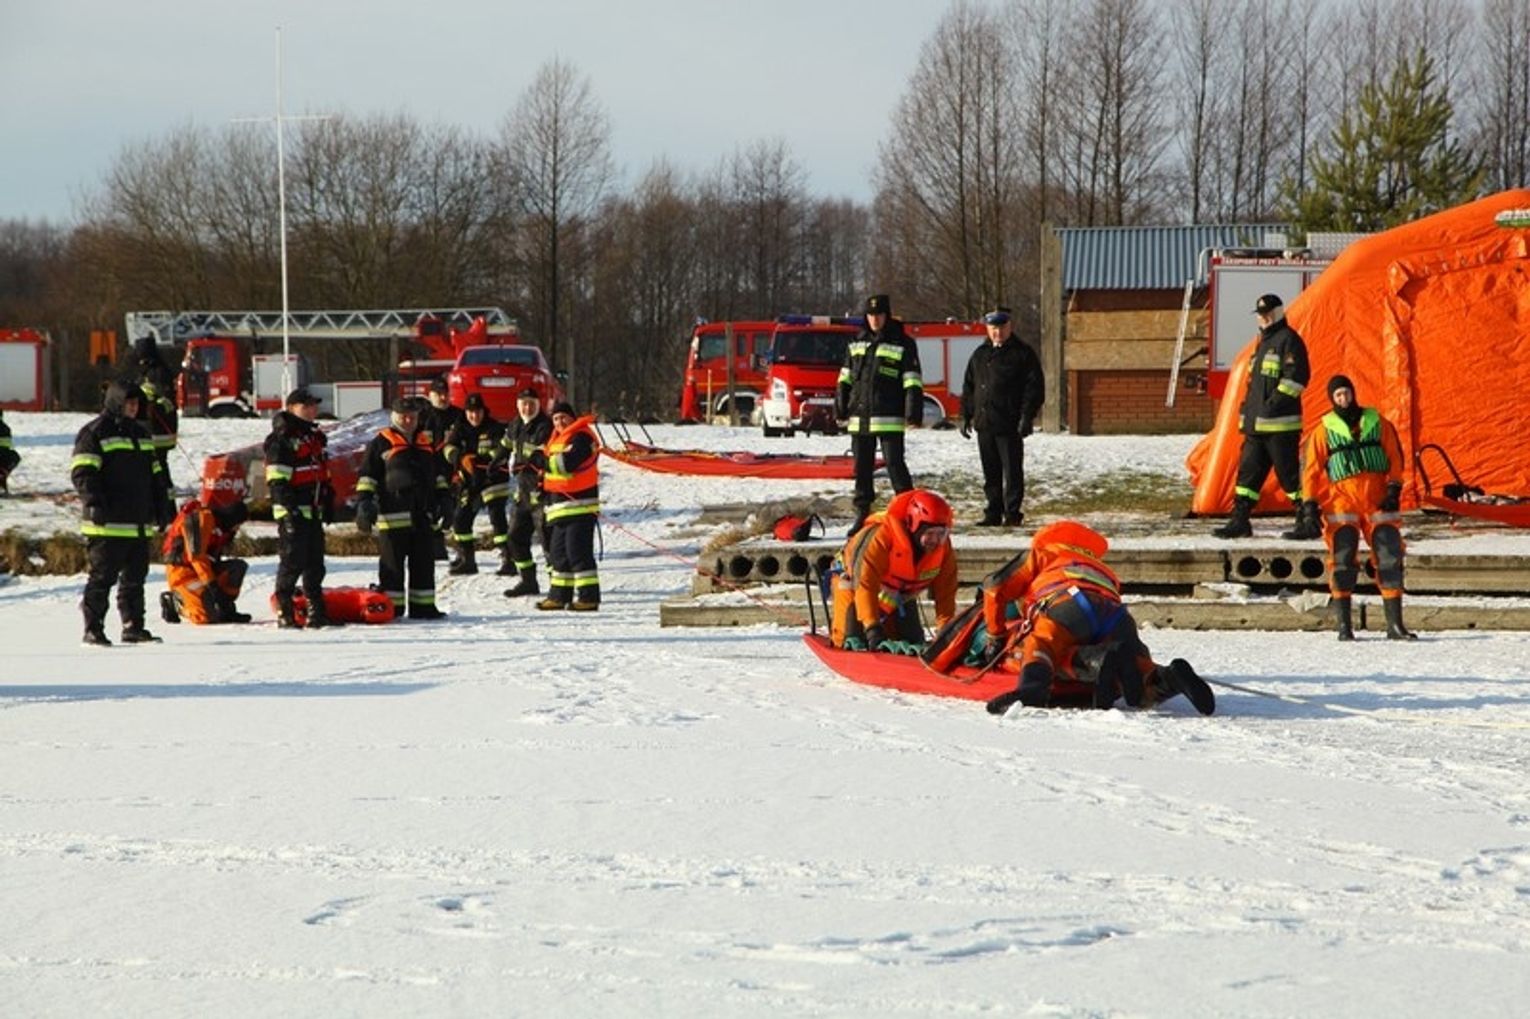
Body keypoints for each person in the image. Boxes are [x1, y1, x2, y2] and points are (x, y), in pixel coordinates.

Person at [976, 520, 1216, 715]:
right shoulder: (1099, 566)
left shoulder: (1044, 553)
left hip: (1066, 605)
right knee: (1136, 669)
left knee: (1043, 645)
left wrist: (995, 635)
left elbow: (994, 586)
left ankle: (1033, 689)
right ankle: (1168, 678)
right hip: (1116, 615)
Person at [1296, 375, 1416, 641]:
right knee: (1342, 559)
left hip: (1378, 498)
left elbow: (1395, 456)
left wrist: (1394, 488)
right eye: (1338, 395)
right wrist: (1309, 505)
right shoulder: (1323, 430)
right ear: (1332, 399)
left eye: (1346, 393)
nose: (1344, 399)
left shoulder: (1377, 422)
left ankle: (1395, 626)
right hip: (1342, 500)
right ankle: (1344, 627)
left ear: (1353, 393)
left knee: (1389, 556)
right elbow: (1311, 470)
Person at [71, 378, 175, 645]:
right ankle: (93, 629)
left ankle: (133, 626)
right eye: (129, 402)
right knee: (102, 578)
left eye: (137, 403)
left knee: (135, 580)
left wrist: (162, 508)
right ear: (116, 402)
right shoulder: (94, 432)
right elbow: (83, 472)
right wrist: (94, 503)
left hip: (138, 522)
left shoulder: (142, 434)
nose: (133, 407)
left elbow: (156, 476)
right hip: (106, 523)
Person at [1213, 293, 1311, 539]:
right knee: (1248, 476)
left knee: (1289, 477)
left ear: (1277, 314)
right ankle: (1240, 520)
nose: (1263, 318)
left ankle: (1308, 520)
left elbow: (1296, 380)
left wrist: (1270, 407)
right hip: (1255, 427)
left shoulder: (1289, 340)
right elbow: (1254, 385)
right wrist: (1247, 411)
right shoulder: (1262, 343)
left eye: (1267, 314)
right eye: (1260, 314)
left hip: (1280, 427)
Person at [354, 397, 452, 620]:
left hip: (423, 515)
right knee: (392, 567)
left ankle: (423, 607)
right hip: (393, 516)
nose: (408, 421)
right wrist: (365, 502)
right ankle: (392, 608)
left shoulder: (426, 443)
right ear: (394, 417)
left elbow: (438, 475)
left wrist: (445, 500)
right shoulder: (380, 442)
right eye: (403, 417)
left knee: (424, 564)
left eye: (412, 417)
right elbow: (367, 476)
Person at [829, 488, 959, 652]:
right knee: (850, 641)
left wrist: (945, 629)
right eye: (930, 533)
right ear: (914, 526)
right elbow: (865, 584)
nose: (935, 540)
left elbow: (946, 590)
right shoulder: (881, 538)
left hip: (899, 597)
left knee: (912, 641)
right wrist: (872, 628)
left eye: (941, 534)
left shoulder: (943, 548)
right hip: (853, 587)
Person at [836, 293, 923, 535]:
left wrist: (913, 412)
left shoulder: (903, 342)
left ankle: (909, 513)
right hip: (859, 416)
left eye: (879, 315)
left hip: (889, 417)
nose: (875, 320)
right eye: (871, 315)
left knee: (895, 464)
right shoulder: (856, 342)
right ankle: (862, 513)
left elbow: (912, 380)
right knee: (861, 468)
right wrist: (840, 405)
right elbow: (845, 378)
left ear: (887, 316)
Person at [960, 306, 1045, 527]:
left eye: (1001, 327)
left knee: (1012, 472)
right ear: (987, 329)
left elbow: (1034, 389)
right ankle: (993, 512)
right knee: (991, 472)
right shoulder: (980, 354)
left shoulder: (1022, 354)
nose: (997, 332)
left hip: (1009, 424)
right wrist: (966, 415)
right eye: (993, 328)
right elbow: (970, 387)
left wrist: (1027, 417)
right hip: (985, 422)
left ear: (1009, 327)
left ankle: (1012, 513)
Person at [263, 387, 334, 629]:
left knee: (315, 565)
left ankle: (316, 612)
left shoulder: (313, 437)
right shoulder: (282, 439)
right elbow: (277, 480)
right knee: (292, 563)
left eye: (314, 405)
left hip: (313, 510)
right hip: (292, 512)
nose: (312, 410)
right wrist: (288, 511)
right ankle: (285, 612)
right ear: (291, 408)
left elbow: (321, 474)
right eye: (306, 406)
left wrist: (328, 500)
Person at [535, 401, 602, 611]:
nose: (559, 422)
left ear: (572, 418)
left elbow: (567, 463)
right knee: (558, 555)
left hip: (580, 506)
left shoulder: (581, 437)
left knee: (578, 553)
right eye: (555, 418)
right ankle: (558, 596)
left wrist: (542, 461)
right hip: (558, 507)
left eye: (563, 417)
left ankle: (588, 598)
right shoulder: (555, 439)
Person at [442, 393, 509, 576]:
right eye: (471, 412)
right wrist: (459, 457)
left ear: (483, 411)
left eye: (478, 412)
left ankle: (508, 559)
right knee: (460, 519)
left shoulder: (494, 427)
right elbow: (448, 448)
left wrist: (476, 460)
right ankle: (467, 559)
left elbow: (499, 453)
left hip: (493, 480)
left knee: (497, 518)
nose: (474, 416)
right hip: (470, 482)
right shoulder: (460, 426)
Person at [161, 498, 252, 625]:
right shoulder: (203, 519)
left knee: (237, 568)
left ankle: (225, 609)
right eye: (238, 524)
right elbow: (196, 557)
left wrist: (219, 596)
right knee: (202, 617)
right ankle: (174, 601)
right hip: (183, 573)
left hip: (201, 572)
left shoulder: (220, 529)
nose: (237, 529)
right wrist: (212, 586)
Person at [500, 388, 554, 596]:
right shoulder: (516, 424)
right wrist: (497, 459)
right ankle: (528, 581)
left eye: (532, 404)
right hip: (522, 492)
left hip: (541, 493)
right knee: (514, 537)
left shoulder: (545, 426)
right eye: (524, 404)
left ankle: (558, 585)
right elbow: (506, 444)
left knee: (548, 542)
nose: (527, 408)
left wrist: (532, 462)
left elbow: (543, 453)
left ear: (538, 405)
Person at [131, 336, 180, 482]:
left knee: (158, 461)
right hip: (149, 426)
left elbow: (168, 400)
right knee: (151, 461)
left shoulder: (160, 373)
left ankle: (164, 488)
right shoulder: (145, 372)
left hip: (159, 428)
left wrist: (154, 406)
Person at [0, 408, 19, 494]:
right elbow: (7, 446)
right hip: (5, 459)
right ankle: (2, 475)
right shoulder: (6, 428)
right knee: (15, 456)